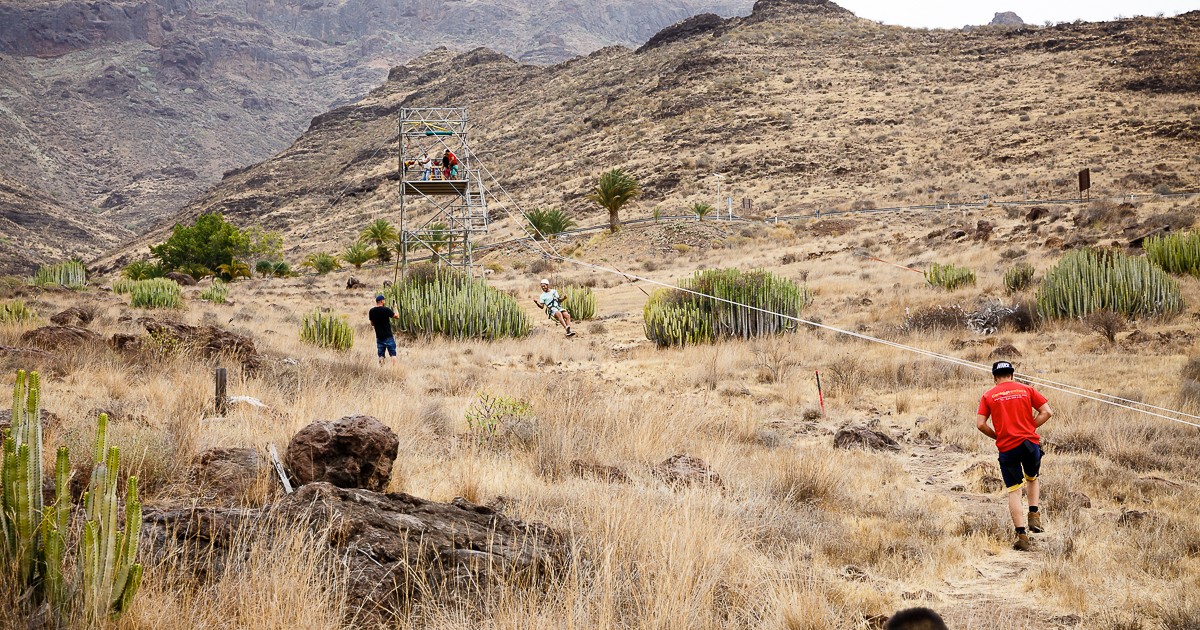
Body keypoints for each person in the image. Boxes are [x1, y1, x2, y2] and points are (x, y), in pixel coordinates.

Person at [976, 360, 1053, 551]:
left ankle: (1022, 536)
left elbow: (980, 424)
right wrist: (1029, 428)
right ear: (1012, 375)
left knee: (1015, 490)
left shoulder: (988, 395)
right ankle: (1034, 515)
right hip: (1030, 444)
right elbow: (1047, 412)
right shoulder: (1026, 389)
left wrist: (996, 435)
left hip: (1007, 447)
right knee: (1032, 478)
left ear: (995, 378)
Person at [368, 294, 399, 365]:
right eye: (384, 300)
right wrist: (395, 307)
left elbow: (372, 323)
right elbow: (397, 316)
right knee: (393, 354)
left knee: (381, 355)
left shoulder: (371, 311)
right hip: (388, 335)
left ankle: (382, 368)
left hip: (379, 336)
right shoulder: (386, 310)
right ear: (382, 301)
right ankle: (394, 370)